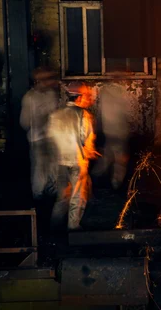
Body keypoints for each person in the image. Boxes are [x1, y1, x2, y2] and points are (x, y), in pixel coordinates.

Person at [48, 82, 98, 231]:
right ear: (80, 97)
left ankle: (54, 227)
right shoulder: (83, 114)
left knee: (62, 196)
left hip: (59, 161)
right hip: (76, 160)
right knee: (77, 196)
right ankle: (73, 227)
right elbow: (86, 138)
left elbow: (51, 138)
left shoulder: (55, 114)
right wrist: (90, 151)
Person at [19, 67, 59, 201]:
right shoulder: (29, 98)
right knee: (39, 169)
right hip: (37, 139)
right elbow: (24, 122)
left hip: (51, 137)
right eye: (46, 80)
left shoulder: (51, 94)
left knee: (53, 167)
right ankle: (38, 198)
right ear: (37, 81)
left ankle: (51, 193)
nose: (49, 82)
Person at [94, 76, 131, 191]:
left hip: (109, 131)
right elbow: (123, 114)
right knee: (119, 161)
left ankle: (95, 178)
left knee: (107, 156)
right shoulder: (120, 92)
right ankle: (116, 185)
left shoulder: (104, 91)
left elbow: (101, 112)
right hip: (118, 132)